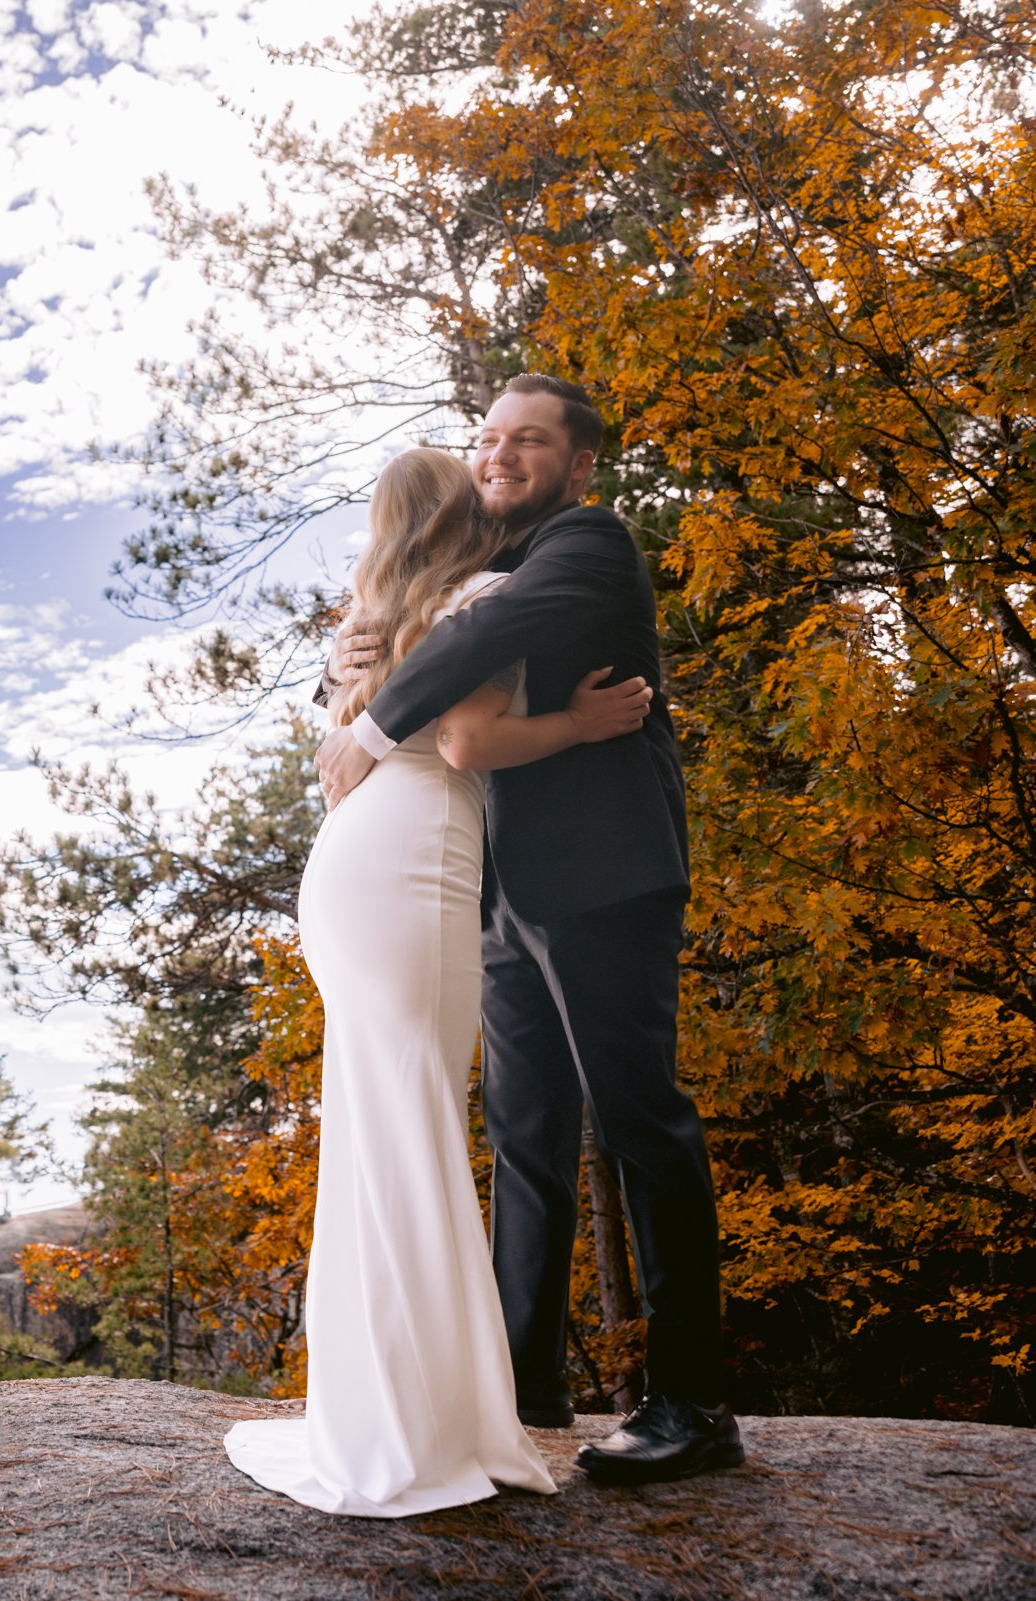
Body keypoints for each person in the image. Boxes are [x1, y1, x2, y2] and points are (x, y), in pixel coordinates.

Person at [314, 375, 743, 1486]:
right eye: (490, 437)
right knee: (527, 1139)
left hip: (603, 877)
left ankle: (693, 1399)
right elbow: (438, 647)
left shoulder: (588, 542)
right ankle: (522, 1381)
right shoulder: (465, 571)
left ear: (579, 462)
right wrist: (359, 657)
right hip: (498, 889)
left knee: (643, 1122)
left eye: (530, 440)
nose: (501, 455)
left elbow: (493, 632)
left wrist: (372, 720)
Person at [224, 444, 650, 1517]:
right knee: (411, 1125)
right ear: (464, 513)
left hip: (353, 863)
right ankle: (425, 1425)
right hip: (411, 864)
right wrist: (581, 723)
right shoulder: (480, 596)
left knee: (377, 1131)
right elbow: (467, 742)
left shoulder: (376, 615)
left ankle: (387, 1406)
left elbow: (360, 731)